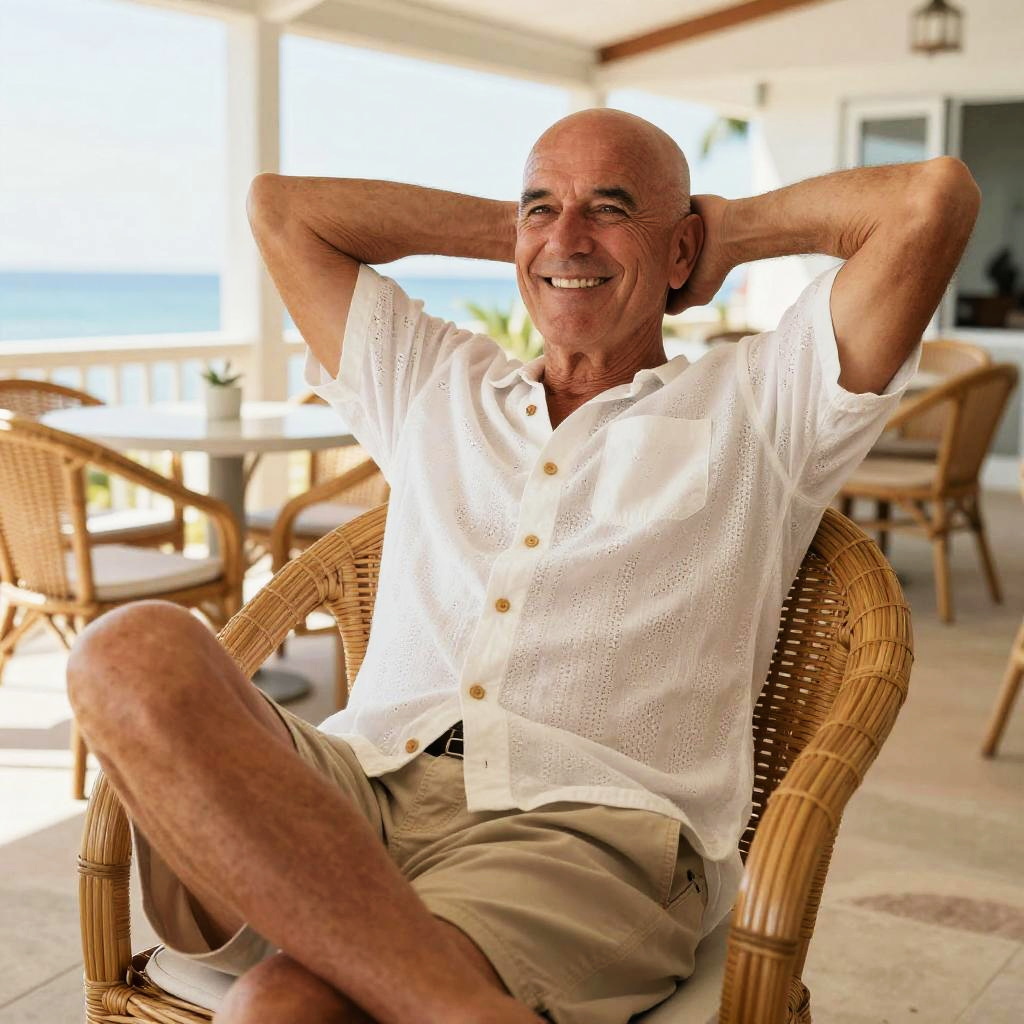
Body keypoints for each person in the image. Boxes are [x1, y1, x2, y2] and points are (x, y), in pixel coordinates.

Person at [68, 108, 980, 1024]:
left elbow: (930, 198)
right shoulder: (434, 383)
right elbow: (283, 210)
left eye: (611, 208)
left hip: (583, 832)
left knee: (284, 1007)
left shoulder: (763, 405)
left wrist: (715, 233)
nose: (567, 237)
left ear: (680, 252)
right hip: (354, 785)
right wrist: (539, 234)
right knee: (126, 652)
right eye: (540, 207)